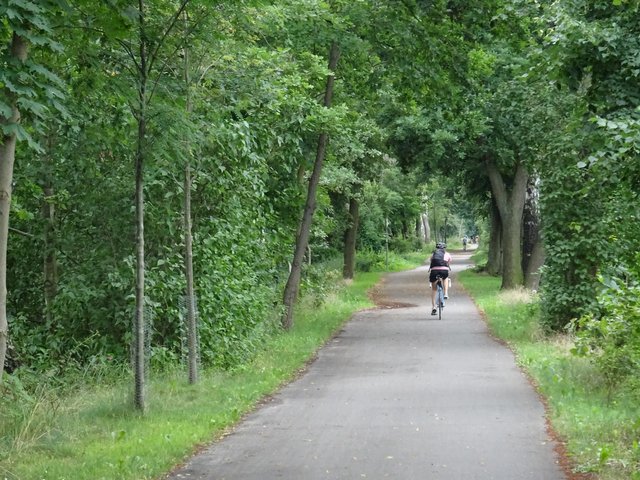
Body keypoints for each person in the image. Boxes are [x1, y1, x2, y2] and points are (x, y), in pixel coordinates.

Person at [428, 242, 452, 315]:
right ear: (444, 248)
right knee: (445, 278)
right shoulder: (447, 254)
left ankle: (434, 307)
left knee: (434, 289)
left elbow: (431, 261)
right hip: (444, 270)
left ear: (437, 248)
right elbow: (449, 262)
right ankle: (445, 293)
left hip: (434, 271)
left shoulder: (433, 254)